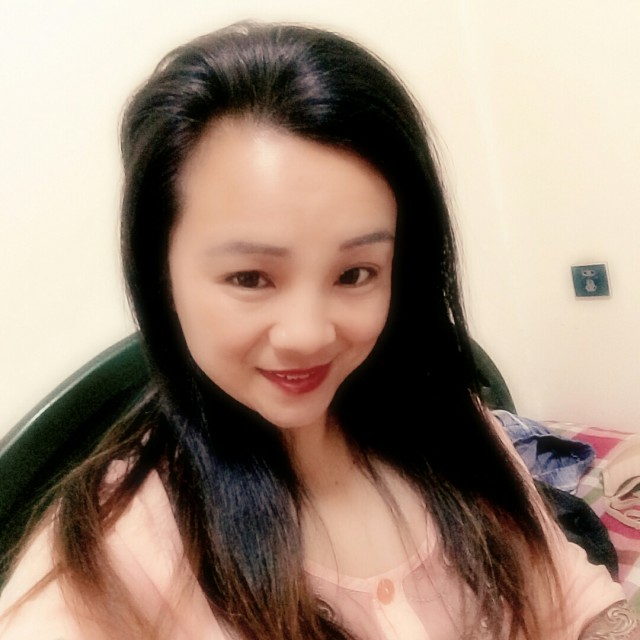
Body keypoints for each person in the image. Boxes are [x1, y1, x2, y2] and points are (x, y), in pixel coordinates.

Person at [0, 21, 635, 640]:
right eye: (250, 277)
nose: (307, 335)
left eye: (355, 273)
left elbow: (575, 599)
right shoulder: (110, 547)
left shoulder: (452, 426)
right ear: (162, 276)